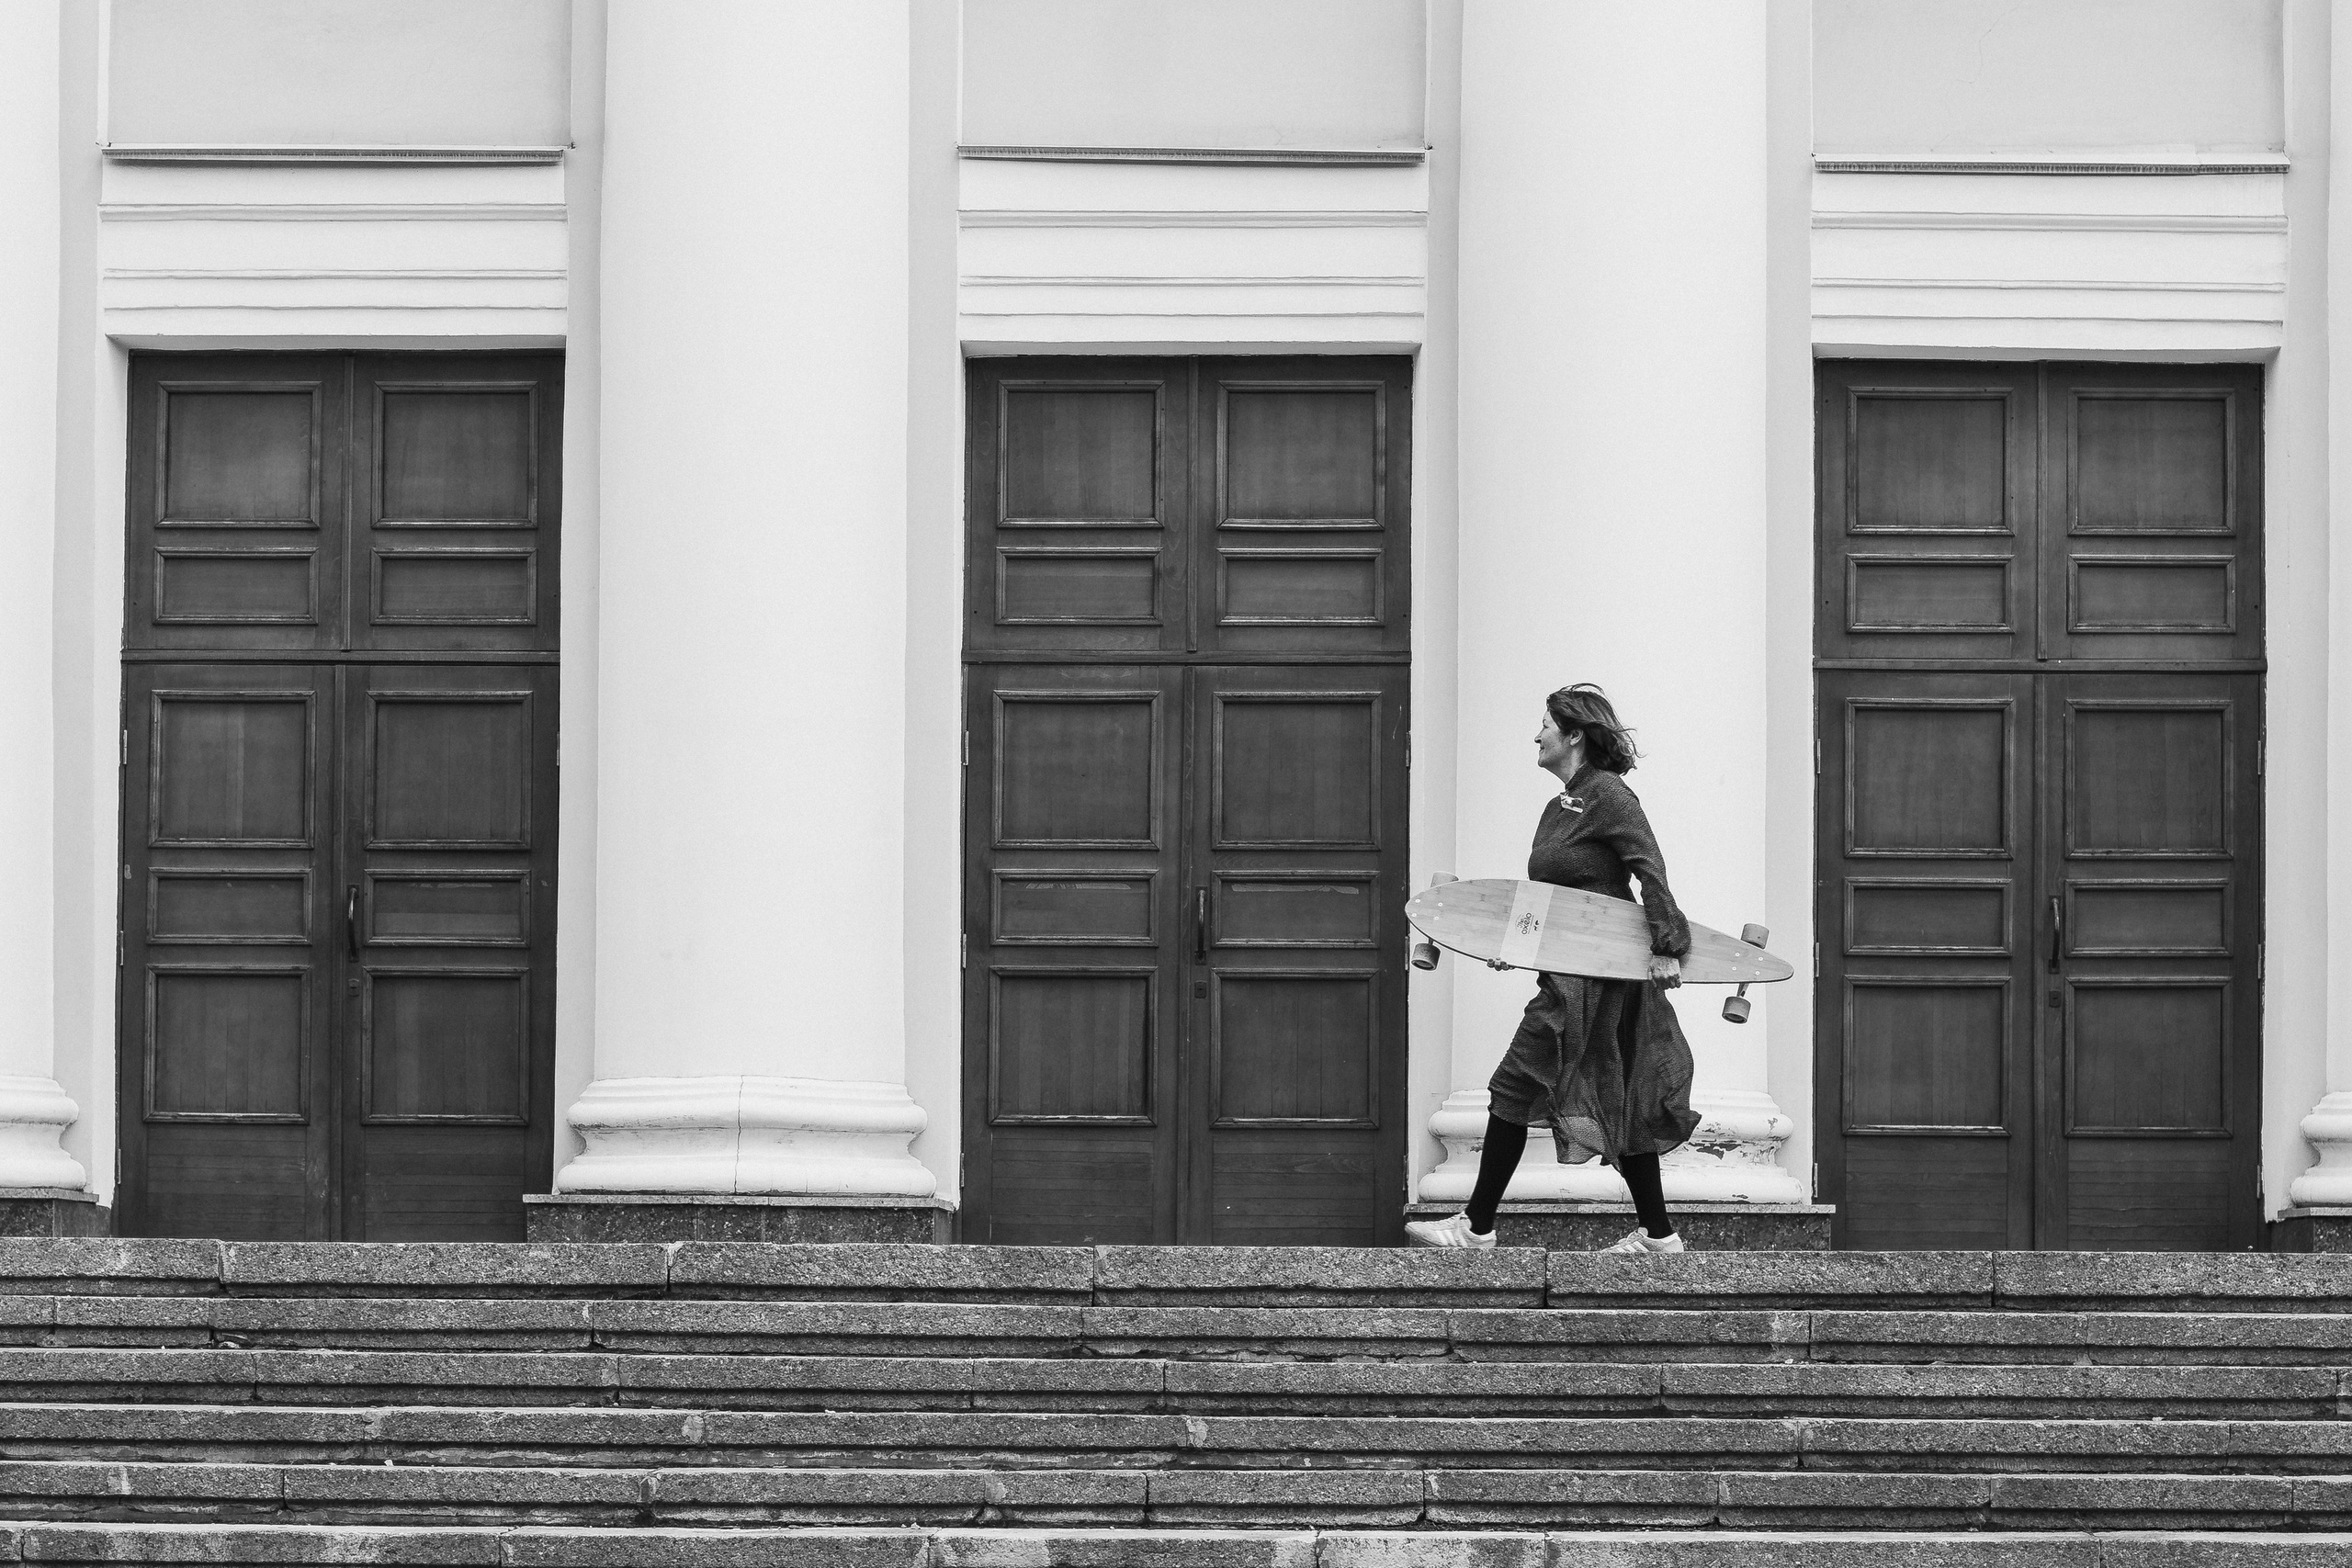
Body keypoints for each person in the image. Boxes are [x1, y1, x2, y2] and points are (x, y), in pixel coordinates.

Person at [1406, 683, 1700, 1255]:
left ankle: (1476, 1226)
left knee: (1514, 1085)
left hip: (1601, 981)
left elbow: (1650, 869)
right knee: (1620, 1093)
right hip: (1567, 973)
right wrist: (1512, 947)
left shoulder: (1609, 795)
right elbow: (1552, 901)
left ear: (1574, 736)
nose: (1536, 736)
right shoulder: (1558, 806)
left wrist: (1668, 944)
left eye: (1544, 725)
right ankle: (1660, 1235)